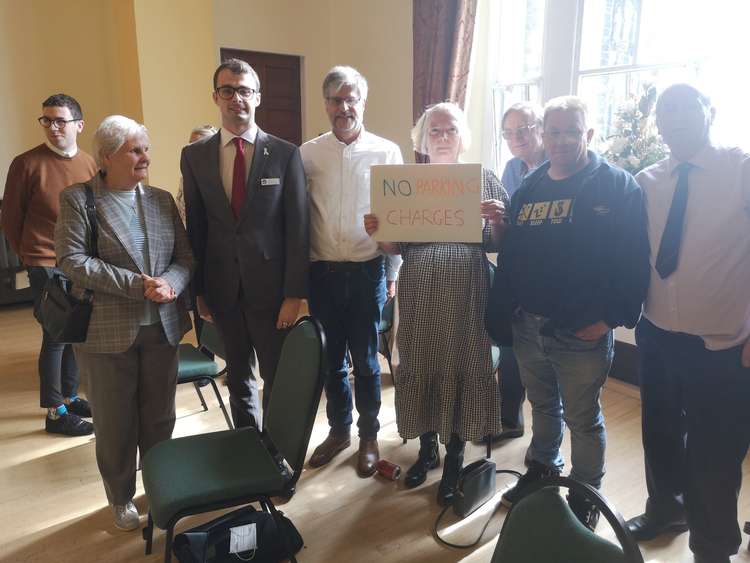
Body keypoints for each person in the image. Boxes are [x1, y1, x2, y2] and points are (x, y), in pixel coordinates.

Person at [498, 96, 649, 530]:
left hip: (582, 331)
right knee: (543, 407)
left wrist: (610, 319)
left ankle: (587, 494)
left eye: (570, 130)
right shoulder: (530, 185)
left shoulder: (617, 186)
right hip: (530, 326)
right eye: (553, 131)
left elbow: (634, 260)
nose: (561, 139)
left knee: (583, 419)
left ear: (589, 134)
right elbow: (518, 252)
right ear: (542, 136)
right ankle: (542, 471)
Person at [625, 84, 750, 563]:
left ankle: (713, 548)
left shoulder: (740, 169)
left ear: (710, 111)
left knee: (714, 453)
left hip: (722, 344)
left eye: (686, 107)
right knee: (658, 434)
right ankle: (665, 511)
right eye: (665, 111)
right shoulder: (646, 180)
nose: (673, 118)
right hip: (656, 334)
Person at [364, 102, 507, 504]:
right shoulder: (406, 183)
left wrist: (497, 220)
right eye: (435, 132)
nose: (442, 138)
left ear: (463, 137)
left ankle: (457, 457)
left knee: (460, 364)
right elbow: (396, 246)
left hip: (466, 294)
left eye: (450, 131)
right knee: (420, 363)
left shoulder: (483, 180)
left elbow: (499, 244)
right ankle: (428, 449)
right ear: (422, 140)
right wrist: (378, 232)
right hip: (420, 292)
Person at [55, 115, 193, 531]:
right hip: (106, 332)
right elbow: (71, 260)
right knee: (115, 422)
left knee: (159, 417)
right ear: (107, 156)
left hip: (162, 327)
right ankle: (119, 497)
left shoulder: (161, 199)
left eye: (146, 150)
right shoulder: (79, 199)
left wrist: (169, 283)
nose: (145, 158)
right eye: (135, 150)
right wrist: (138, 285)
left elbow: (185, 258)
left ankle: (159, 483)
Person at [182, 58, 309, 429]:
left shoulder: (285, 154)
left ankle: (276, 447)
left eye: (244, 91)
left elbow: (298, 228)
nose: (236, 98)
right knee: (238, 376)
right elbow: (197, 228)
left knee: (276, 376)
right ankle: (248, 446)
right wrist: (199, 292)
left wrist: (294, 294)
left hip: (272, 293)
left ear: (258, 97)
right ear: (216, 97)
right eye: (228, 90)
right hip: (222, 290)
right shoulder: (194, 156)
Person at [301, 66, 402, 477]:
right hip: (322, 272)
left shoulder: (387, 152)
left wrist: (393, 270)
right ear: (325, 104)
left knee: (365, 361)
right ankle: (339, 431)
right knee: (331, 361)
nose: (344, 108)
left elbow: (396, 219)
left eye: (351, 99)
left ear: (363, 101)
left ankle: (369, 436)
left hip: (367, 272)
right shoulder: (307, 154)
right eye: (335, 100)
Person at [3, 94, 97, 436]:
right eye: (46, 120)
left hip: (80, 262)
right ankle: (54, 412)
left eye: (60, 120)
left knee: (76, 331)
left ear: (79, 125)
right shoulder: (25, 163)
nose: (53, 127)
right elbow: (11, 218)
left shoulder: (89, 163)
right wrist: (30, 255)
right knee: (56, 334)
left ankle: (70, 397)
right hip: (45, 261)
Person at [489, 102, 547, 444]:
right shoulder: (511, 169)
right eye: (509, 132)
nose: (516, 138)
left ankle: (545, 442)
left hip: (545, 279)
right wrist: (498, 220)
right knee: (510, 350)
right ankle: (509, 418)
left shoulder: (558, 168)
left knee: (543, 364)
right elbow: (507, 232)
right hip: (514, 276)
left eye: (523, 129)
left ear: (540, 128)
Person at [176, 124, 218, 224]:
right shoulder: (185, 179)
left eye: (199, 145)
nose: (192, 151)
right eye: (190, 145)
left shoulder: (223, 178)